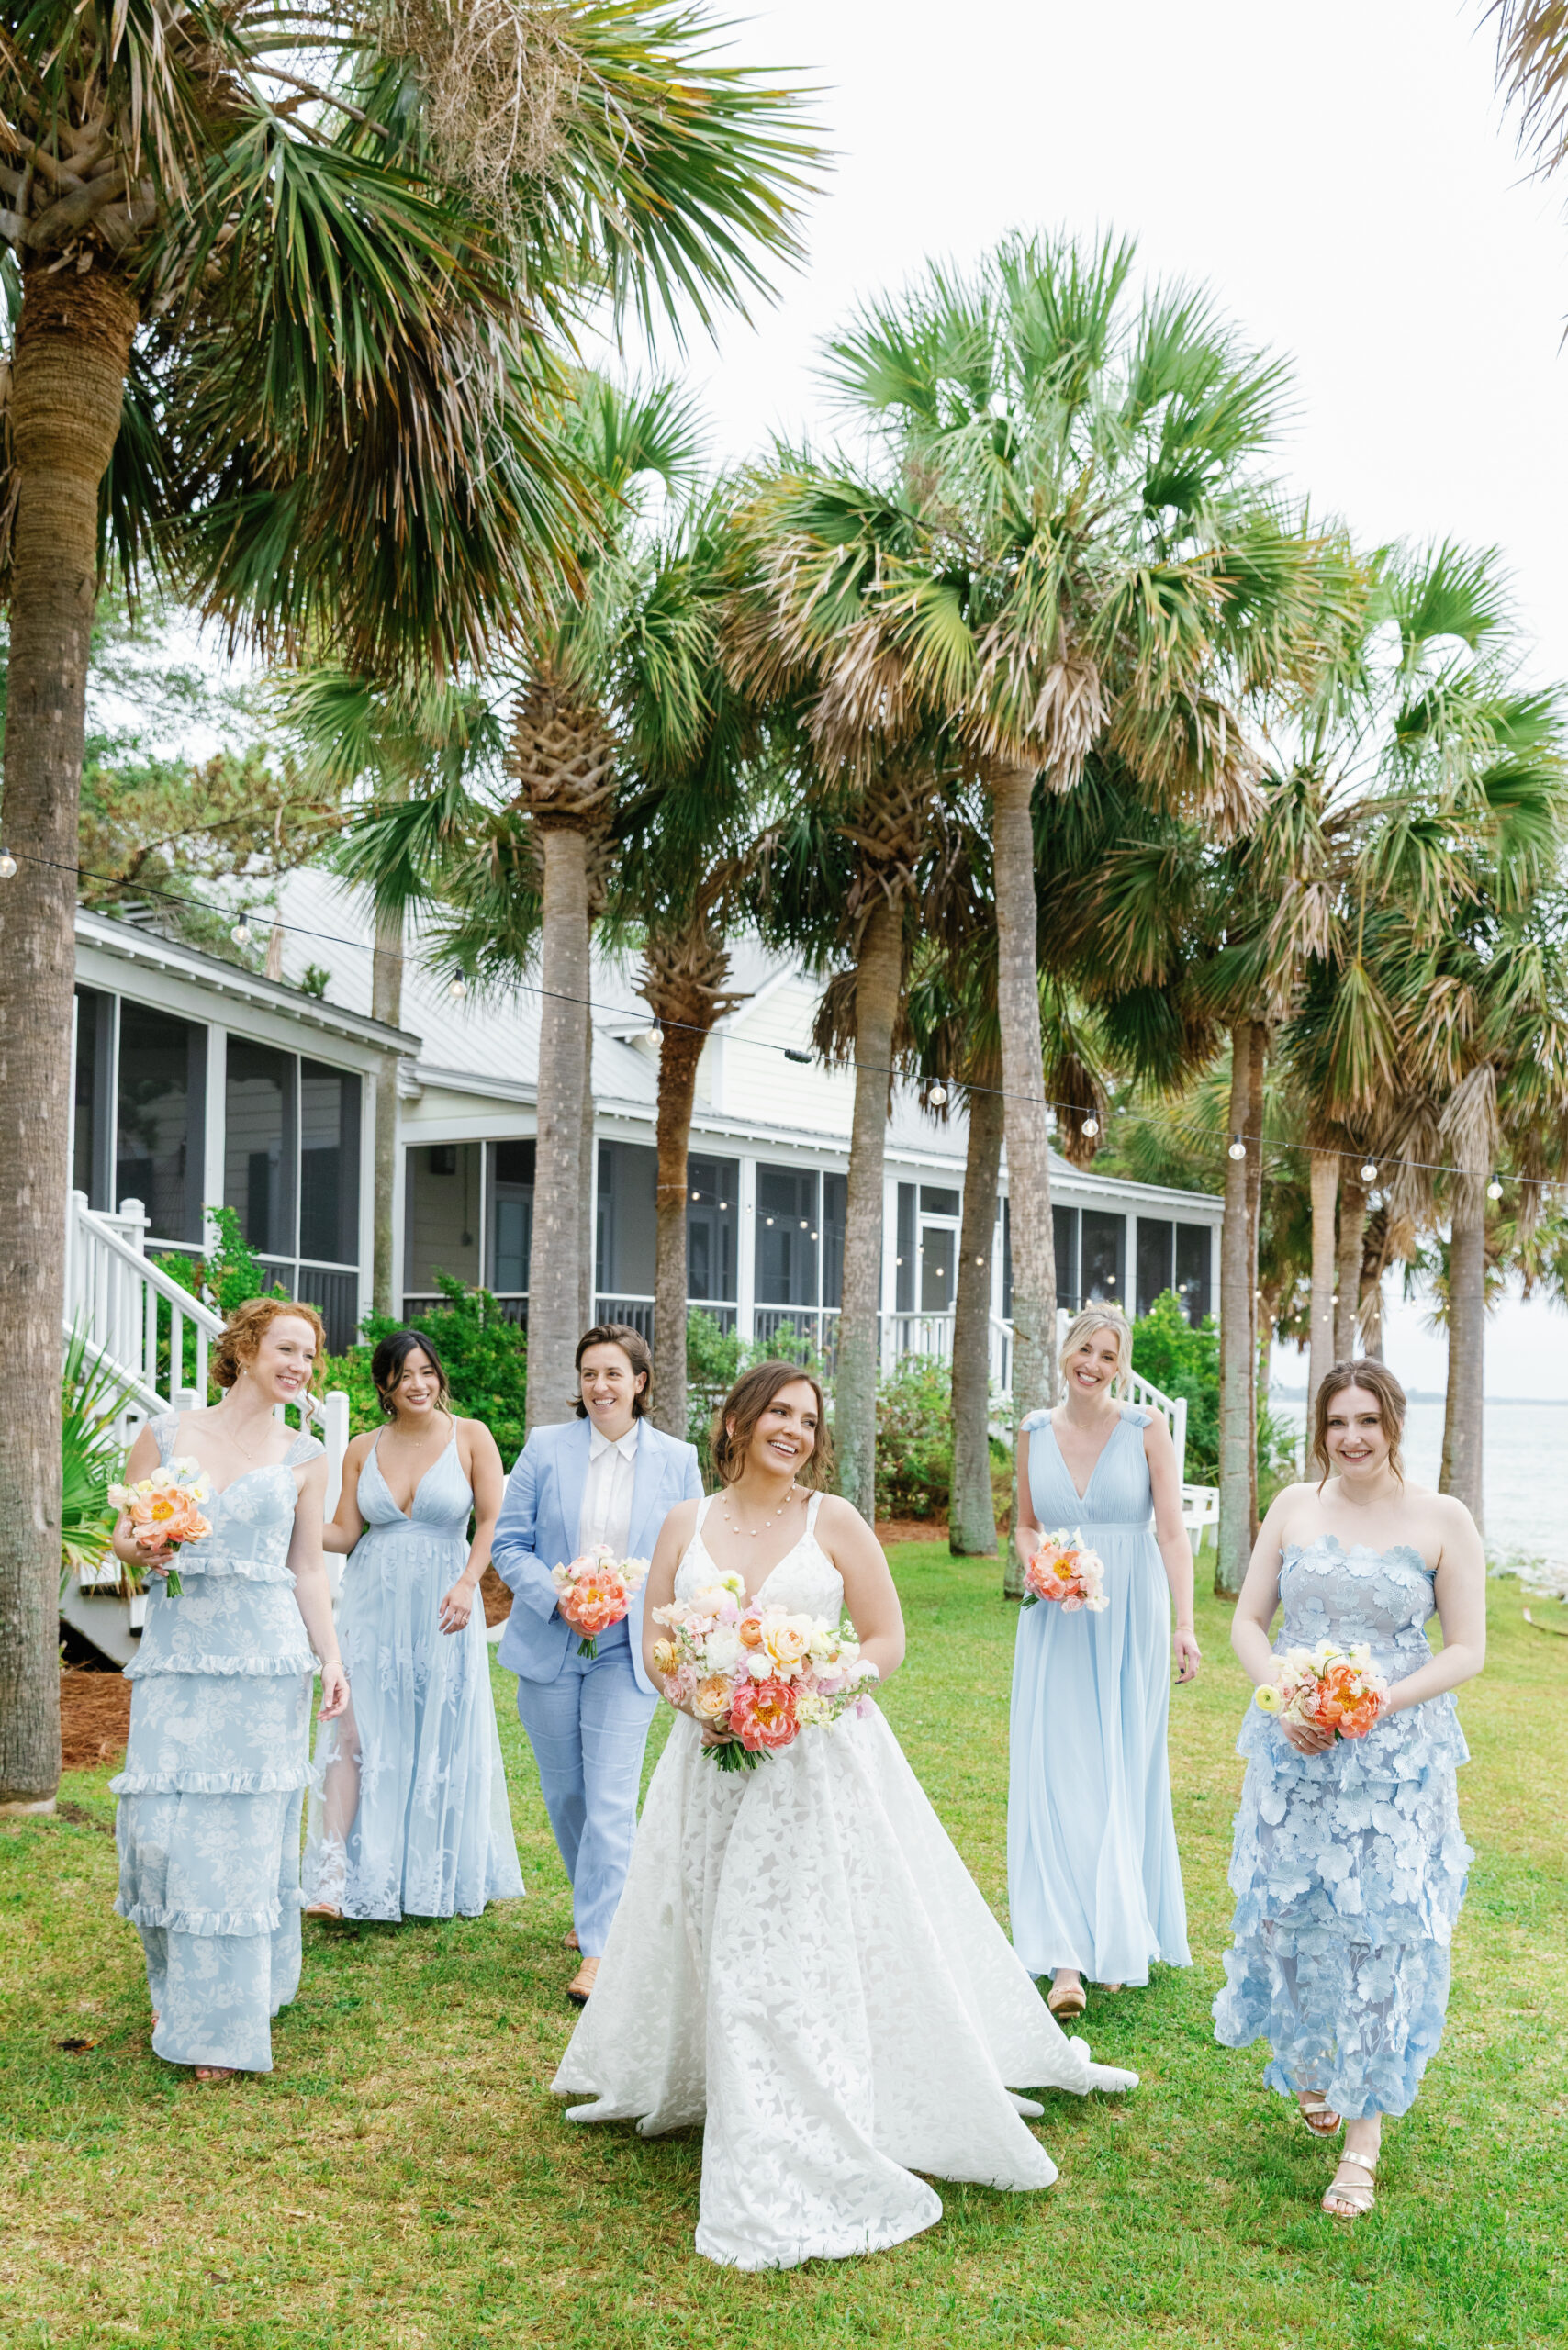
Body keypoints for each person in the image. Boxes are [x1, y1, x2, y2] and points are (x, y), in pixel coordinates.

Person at [554, 1360, 1138, 2271]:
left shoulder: (834, 1522)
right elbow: (658, 1644)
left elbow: (886, 1639)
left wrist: (807, 1684)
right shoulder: (684, 1522)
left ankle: (791, 2114)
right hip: (710, 1763)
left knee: (778, 1945)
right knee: (713, 1926)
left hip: (813, 1764)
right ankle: (722, 2075)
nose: (794, 1428)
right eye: (778, 1412)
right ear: (739, 1421)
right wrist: (700, 1697)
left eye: (809, 1418)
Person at [1214, 1358, 1484, 2221]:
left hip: (1393, 1763)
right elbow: (1249, 1621)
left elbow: (1466, 1648)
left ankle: (1362, 2142)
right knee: (1289, 1919)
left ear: (1394, 1423)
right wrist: (1288, 1695)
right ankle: (1310, 2063)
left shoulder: (1442, 1519)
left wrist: (1380, 1700)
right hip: (1296, 1749)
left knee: (1380, 1935)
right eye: (1337, 1422)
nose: (1352, 1438)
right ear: (1320, 1429)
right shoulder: (1294, 1507)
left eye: (1368, 1420)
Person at [110, 1298, 349, 2083]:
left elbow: (308, 1567)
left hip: (265, 1662)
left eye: (309, 1357)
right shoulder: (169, 1434)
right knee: (158, 1831)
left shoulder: (304, 1454)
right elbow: (124, 1533)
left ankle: (221, 2023)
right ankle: (177, 1984)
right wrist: (143, 1545)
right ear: (245, 1348)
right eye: (287, 1349)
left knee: (241, 1845)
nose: (299, 1367)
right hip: (178, 1660)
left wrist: (332, 1659)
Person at [491, 1322, 703, 2002]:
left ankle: (604, 1947)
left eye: (613, 1373)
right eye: (589, 1374)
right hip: (551, 1642)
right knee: (568, 1794)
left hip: (628, 1651)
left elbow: (689, 1556)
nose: (600, 1386)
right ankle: (597, 1906)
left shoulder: (677, 1459)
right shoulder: (545, 1448)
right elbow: (508, 1543)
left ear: (640, 1382)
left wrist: (641, 1609)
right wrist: (558, 1596)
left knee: (610, 1796)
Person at [1008, 1308, 1198, 2018]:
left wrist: (1185, 1625)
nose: (1093, 1363)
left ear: (1120, 1365)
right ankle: (1065, 1957)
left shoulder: (1148, 1430)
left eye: (1108, 1354)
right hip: (1057, 1622)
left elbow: (1173, 1535)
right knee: (1060, 1772)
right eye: (1084, 1348)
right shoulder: (1031, 1431)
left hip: (1130, 1615)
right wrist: (1042, 1569)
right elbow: (1026, 1525)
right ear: (1065, 1352)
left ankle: (1117, 1929)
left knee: (1121, 1766)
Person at [301, 1330, 523, 1922]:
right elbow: (346, 1534)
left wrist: (469, 1583)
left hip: (445, 1603)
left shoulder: (471, 1436)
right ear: (384, 1386)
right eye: (405, 1376)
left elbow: (492, 1518)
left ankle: (426, 1874)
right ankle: (334, 1875)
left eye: (427, 1371)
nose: (419, 1384)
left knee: (437, 1730)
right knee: (354, 1733)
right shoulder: (358, 1448)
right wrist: (284, 1522)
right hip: (373, 1604)